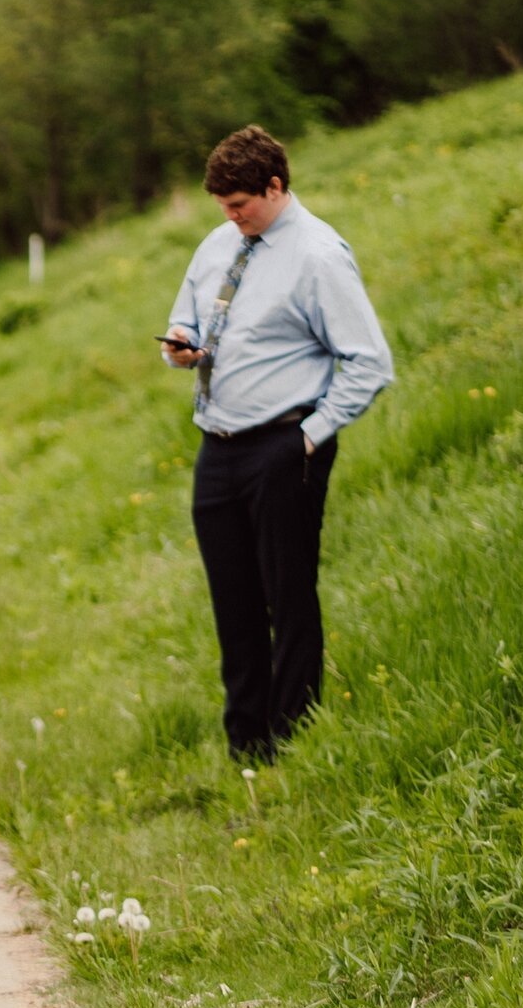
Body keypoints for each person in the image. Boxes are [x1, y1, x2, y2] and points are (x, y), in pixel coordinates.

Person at [161, 127, 393, 763]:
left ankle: (294, 742)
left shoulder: (318, 256)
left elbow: (370, 363)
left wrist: (310, 439)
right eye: (223, 208)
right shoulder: (220, 242)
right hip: (218, 445)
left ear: (275, 186)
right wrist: (180, 344)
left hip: (285, 446)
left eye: (241, 205)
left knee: (286, 595)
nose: (231, 219)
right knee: (232, 598)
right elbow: (187, 314)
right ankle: (247, 746)